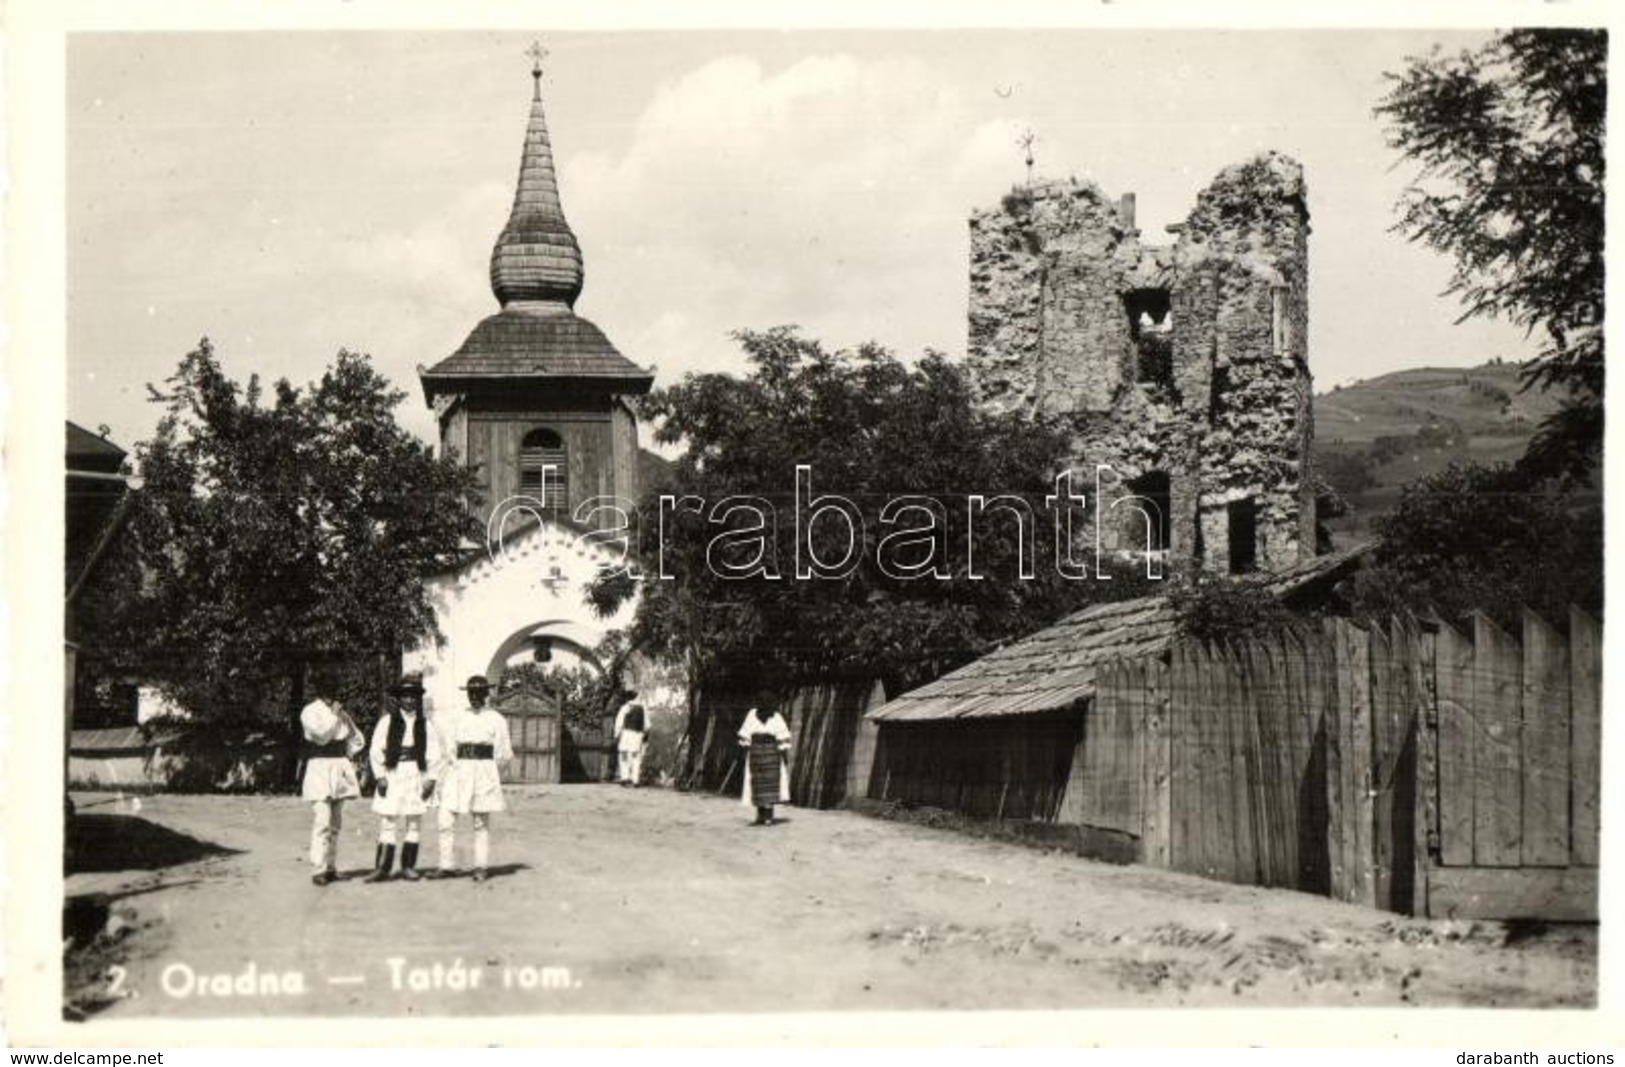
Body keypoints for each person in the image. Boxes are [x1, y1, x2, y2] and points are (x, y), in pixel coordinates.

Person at [434, 674, 514, 882]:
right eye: (471, 693)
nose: (475, 697)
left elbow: (504, 753)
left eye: (479, 692)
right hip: (459, 770)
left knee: (480, 822)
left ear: (487, 694)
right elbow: (449, 746)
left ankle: (480, 867)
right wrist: (456, 766)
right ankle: (446, 865)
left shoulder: (496, 719)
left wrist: (488, 771)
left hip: (483, 773)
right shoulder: (458, 716)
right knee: (445, 817)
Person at [366, 670, 442, 883]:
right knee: (388, 820)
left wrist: (431, 779)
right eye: (405, 696)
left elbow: (435, 753)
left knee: (414, 821)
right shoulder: (387, 722)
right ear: (398, 699)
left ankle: (408, 866)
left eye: (413, 697)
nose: (409, 700)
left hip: (416, 774)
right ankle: (382, 867)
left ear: (417, 699)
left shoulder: (424, 724)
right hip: (393, 774)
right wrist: (380, 775)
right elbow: (375, 750)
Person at [299, 676, 365, 886]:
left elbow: (357, 738)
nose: (331, 695)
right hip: (319, 766)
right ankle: (318, 869)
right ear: (319, 691)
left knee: (335, 823)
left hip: (338, 766)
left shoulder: (340, 712)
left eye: (334, 690)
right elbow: (322, 735)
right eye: (326, 690)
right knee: (322, 819)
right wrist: (335, 715)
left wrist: (350, 753)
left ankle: (330, 867)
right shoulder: (310, 711)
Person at [736, 706, 791, 826]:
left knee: (769, 785)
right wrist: (747, 751)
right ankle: (760, 816)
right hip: (756, 754)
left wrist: (783, 756)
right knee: (757, 785)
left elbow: (782, 738)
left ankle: (768, 817)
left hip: (771, 754)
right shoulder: (752, 714)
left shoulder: (776, 717)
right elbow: (745, 737)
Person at [612, 697, 647, 787]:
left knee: (623, 756)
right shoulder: (642, 708)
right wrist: (644, 735)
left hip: (626, 734)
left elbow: (619, 723)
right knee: (636, 757)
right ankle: (635, 780)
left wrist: (616, 735)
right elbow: (647, 725)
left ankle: (624, 777)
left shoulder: (625, 708)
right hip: (638, 734)